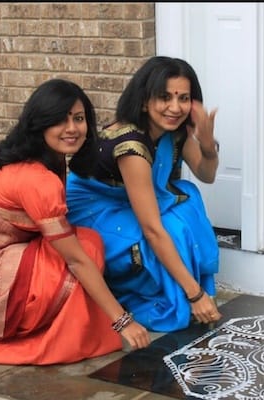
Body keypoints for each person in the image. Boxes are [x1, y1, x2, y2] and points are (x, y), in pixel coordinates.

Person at [0, 78, 151, 365]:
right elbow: (77, 261)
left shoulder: (39, 159)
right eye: (59, 120)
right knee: (88, 247)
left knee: (82, 240)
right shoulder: (38, 178)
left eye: (79, 118)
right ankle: (60, 338)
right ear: (39, 124)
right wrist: (123, 321)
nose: (72, 128)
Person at [66, 56, 222, 333]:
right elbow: (151, 229)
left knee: (186, 201)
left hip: (128, 199)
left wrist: (208, 145)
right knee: (165, 230)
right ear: (143, 101)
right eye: (165, 97)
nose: (175, 108)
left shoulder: (174, 131)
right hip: (95, 209)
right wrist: (195, 294)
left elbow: (206, 174)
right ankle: (147, 292)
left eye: (183, 98)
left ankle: (177, 287)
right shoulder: (131, 145)